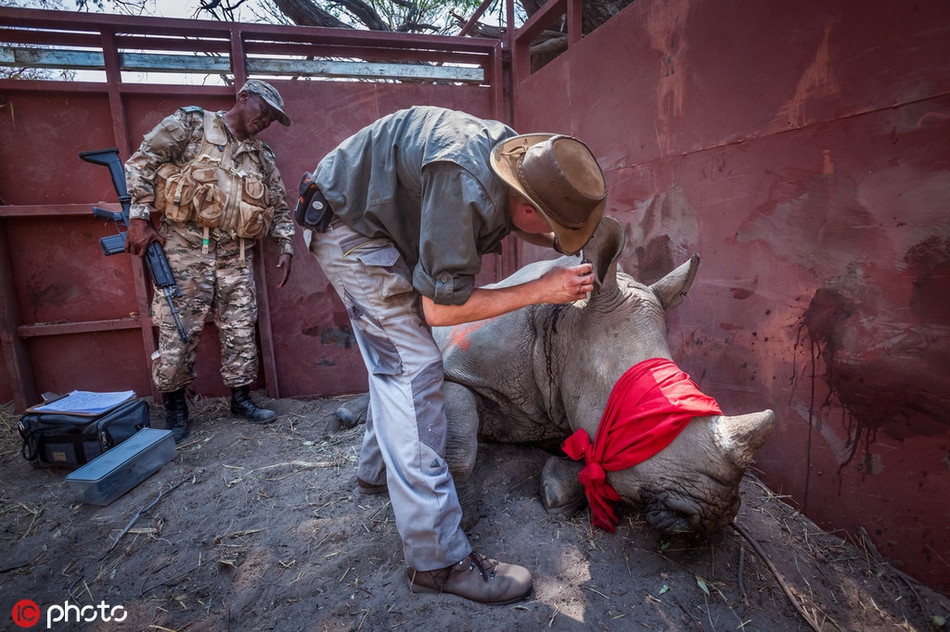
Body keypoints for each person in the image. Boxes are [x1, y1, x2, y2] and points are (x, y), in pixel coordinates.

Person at [298, 106, 606, 605]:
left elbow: (513, 217)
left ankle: (376, 473)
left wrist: (555, 239)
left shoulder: (516, 160)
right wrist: (540, 289)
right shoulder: (465, 183)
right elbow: (440, 311)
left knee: (394, 353)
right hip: (349, 227)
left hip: (374, 218)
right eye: (550, 223)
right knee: (414, 369)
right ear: (528, 204)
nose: (548, 234)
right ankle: (437, 560)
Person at [124, 80, 296, 443]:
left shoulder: (260, 155)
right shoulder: (191, 125)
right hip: (185, 250)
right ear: (243, 97)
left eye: (272, 118)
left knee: (240, 330)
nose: (266, 120)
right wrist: (138, 218)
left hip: (236, 254)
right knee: (178, 330)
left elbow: (278, 203)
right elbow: (142, 162)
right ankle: (175, 409)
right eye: (264, 110)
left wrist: (285, 244)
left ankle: (241, 400)